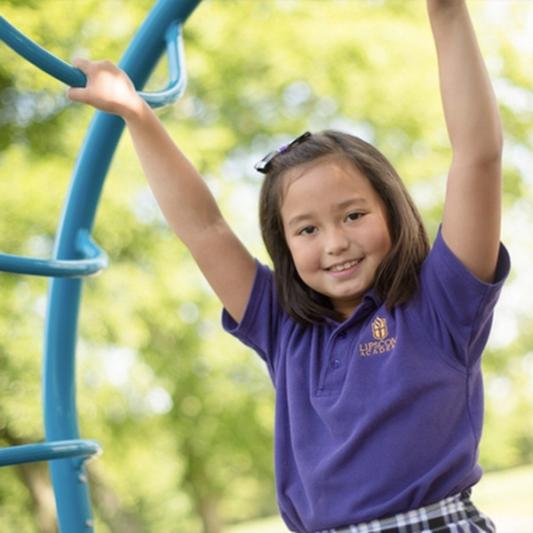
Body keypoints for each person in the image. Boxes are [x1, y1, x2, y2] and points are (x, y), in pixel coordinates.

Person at [68, 0, 509, 531]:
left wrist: (446, 12)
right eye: (307, 229)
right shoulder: (284, 328)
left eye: (353, 215)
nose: (335, 243)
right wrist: (137, 115)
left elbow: (477, 156)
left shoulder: (441, 302)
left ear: (391, 211)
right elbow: (204, 229)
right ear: (285, 244)